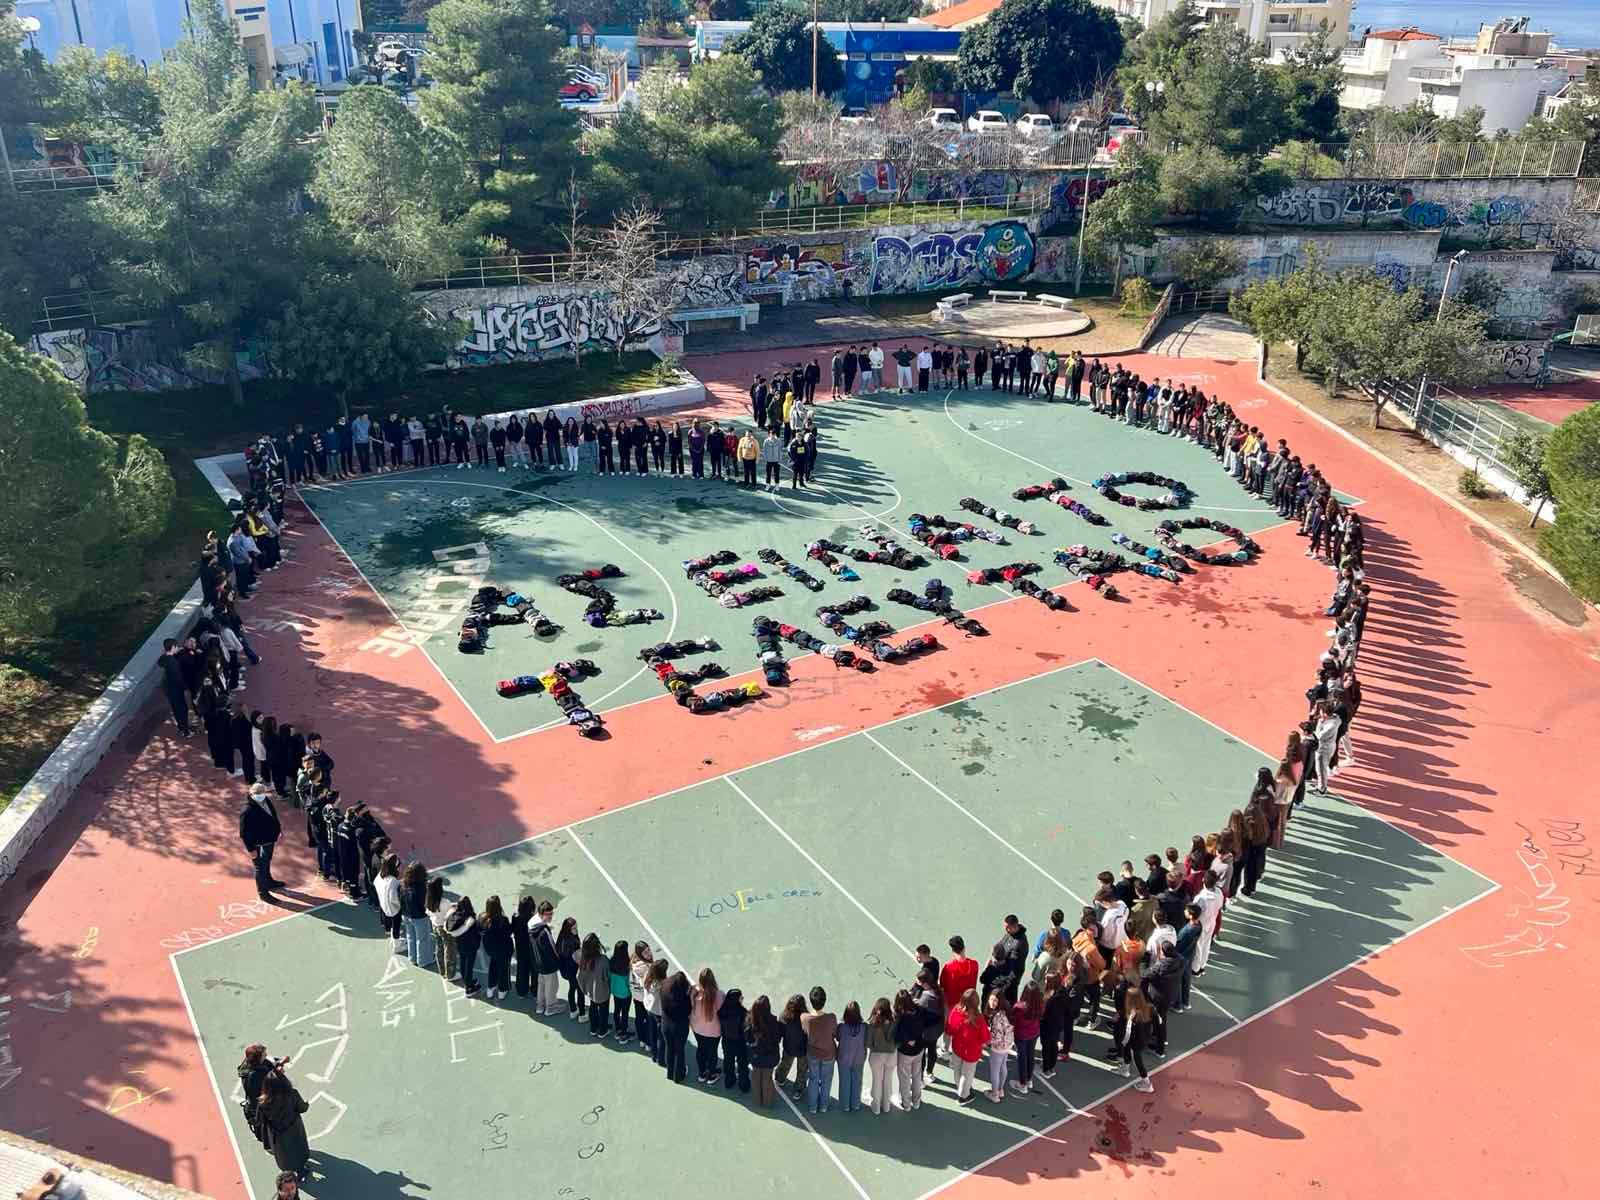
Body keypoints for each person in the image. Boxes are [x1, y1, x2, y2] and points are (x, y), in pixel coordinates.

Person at [258, 1070, 312, 1179]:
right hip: (294, 1128)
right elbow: (302, 1108)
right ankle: (301, 1170)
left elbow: (260, 1120)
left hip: (277, 1133)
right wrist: (306, 1104)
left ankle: (288, 1173)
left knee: (283, 1153)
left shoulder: (263, 1103)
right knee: (298, 1148)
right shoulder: (292, 1094)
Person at [239, 784, 283, 902]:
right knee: (260, 867)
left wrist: (278, 829)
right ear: (252, 794)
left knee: (267, 861)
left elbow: (273, 815)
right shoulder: (247, 810)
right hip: (257, 844)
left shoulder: (266, 800)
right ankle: (263, 893)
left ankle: (269, 881)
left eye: (262, 793)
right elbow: (243, 833)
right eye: (258, 794)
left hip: (269, 840)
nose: (261, 795)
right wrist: (250, 849)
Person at [945, 989, 988, 1105]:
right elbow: (985, 1038)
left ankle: (960, 1087)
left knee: (957, 1070)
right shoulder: (979, 1018)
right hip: (972, 1052)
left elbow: (949, 1029)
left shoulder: (955, 1010)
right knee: (967, 1074)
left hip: (957, 1047)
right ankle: (963, 1097)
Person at [939, 935, 978, 1058]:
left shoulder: (948, 967)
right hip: (968, 1003)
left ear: (952, 950)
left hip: (952, 1003)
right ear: (964, 947)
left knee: (949, 1026)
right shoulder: (974, 965)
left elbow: (942, 985)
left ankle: (945, 1050)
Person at [891, 989, 923, 1111]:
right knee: (916, 1076)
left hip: (905, 1053)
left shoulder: (900, 1016)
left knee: (904, 1078)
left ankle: (906, 1104)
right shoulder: (919, 1010)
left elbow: (897, 1034)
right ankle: (916, 1102)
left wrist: (908, 1039)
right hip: (919, 1049)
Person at [747, 994, 782, 1106]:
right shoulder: (775, 1023)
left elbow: (747, 1039)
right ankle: (767, 1102)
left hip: (755, 1057)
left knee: (756, 1077)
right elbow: (778, 1039)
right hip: (770, 1058)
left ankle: (757, 1100)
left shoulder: (750, 1022)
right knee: (767, 1079)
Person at [865, 997, 896, 1115]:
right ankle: (886, 1106)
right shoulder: (894, 1022)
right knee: (888, 1080)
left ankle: (876, 1107)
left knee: (877, 1081)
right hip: (891, 1056)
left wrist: (875, 1047)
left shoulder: (872, 1024)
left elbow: (868, 1044)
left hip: (876, 1056)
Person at [691, 967, 723, 1082]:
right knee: (712, 1052)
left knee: (701, 1049)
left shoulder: (694, 993)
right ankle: (712, 1074)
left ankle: (702, 1074)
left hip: (697, 1029)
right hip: (713, 1031)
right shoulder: (719, 995)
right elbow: (722, 1012)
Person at [660, 970, 692, 1083]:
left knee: (669, 1047)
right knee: (679, 1050)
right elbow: (688, 1011)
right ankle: (679, 1076)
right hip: (679, 1027)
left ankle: (670, 1073)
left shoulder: (664, 988)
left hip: (666, 1024)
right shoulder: (683, 998)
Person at [1011, 981, 1043, 1095]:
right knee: (1030, 1055)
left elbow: (1014, 1021)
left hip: (1021, 1035)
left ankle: (1022, 1084)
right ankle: (1029, 1080)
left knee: (1022, 1058)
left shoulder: (1019, 1007)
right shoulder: (1040, 1005)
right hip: (1034, 1033)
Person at [776, 993, 809, 1101]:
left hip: (788, 1047)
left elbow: (779, 1033)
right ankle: (798, 1090)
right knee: (802, 1071)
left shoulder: (784, 1016)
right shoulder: (807, 1019)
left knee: (785, 1064)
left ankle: (780, 1079)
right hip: (803, 1050)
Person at [983, 990, 1013, 1102]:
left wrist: (987, 1043)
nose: (992, 1002)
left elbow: (997, 1037)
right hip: (1007, 1045)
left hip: (998, 1047)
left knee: (995, 1071)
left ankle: (994, 1094)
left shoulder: (997, 1017)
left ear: (1000, 1001)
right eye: (991, 999)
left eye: (995, 1000)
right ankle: (1000, 1090)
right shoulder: (1006, 1011)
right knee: (1003, 1066)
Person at [401, 861, 433, 969]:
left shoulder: (404, 884)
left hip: (406, 915)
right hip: (419, 917)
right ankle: (423, 960)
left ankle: (412, 958)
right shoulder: (421, 888)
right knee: (422, 939)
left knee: (410, 936)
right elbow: (424, 904)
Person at [531, 900, 561, 1015]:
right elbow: (552, 949)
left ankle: (540, 1006)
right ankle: (551, 1008)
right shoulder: (544, 931)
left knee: (541, 985)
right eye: (548, 914)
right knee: (551, 987)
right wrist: (558, 961)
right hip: (548, 965)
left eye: (551, 913)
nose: (550, 916)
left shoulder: (532, 927)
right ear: (541, 914)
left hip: (539, 963)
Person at [719, 987, 750, 1091]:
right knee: (742, 1064)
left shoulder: (722, 1011)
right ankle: (744, 1085)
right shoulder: (743, 1013)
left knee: (728, 1062)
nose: (742, 999)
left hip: (727, 1041)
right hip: (740, 1043)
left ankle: (729, 1081)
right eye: (741, 997)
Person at [579, 933, 611, 1035]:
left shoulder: (583, 960)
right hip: (602, 992)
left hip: (590, 991)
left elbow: (579, 977)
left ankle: (593, 1028)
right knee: (603, 1011)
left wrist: (585, 989)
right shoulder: (603, 960)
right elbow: (608, 976)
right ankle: (602, 1031)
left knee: (593, 1008)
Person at [426, 877, 455, 981]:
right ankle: (450, 975)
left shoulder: (428, 900)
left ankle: (442, 971)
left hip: (435, 926)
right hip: (445, 928)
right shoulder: (445, 902)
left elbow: (428, 912)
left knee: (439, 947)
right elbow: (450, 915)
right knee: (449, 950)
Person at [556, 916, 583, 1018]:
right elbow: (578, 956)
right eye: (574, 928)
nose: (576, 930)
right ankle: (582, 1013)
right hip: (573, 970)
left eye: (576, 927)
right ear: (569, 929)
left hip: (565, 970)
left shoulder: (561, 938)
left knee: (572, 988)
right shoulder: (573, 942)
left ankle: (573, 1010)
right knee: (579, 990)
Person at [511, 896, 536, 999]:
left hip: (520, 948)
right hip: (532, 949)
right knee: (534, 971)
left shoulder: (515, 917)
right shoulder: (534, 919)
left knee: (521, 970)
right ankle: (535, 991)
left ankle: (521, 991)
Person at [609, 941, 633, 1042]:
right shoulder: (627, 965)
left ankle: (618, 1028)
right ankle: (623, 1033)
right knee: (625, 1013)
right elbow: (629, 981)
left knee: (617, 1010)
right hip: (625, 993)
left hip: (615, 991)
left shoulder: (611, 961)